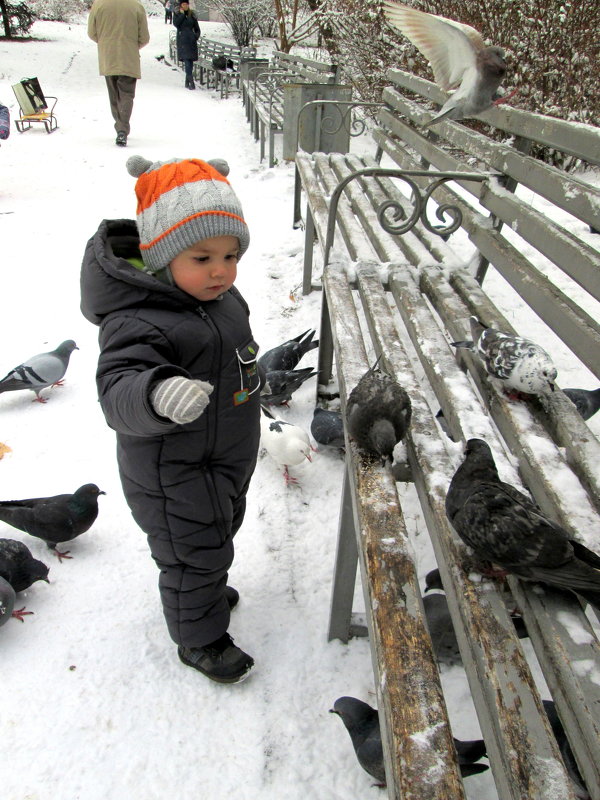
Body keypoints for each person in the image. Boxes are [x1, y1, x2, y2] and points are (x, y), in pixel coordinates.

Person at [80, 156, 261, 684]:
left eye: (231, 255)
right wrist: (157, 392)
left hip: (225, 454)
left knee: (218, 533)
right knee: (191, 554)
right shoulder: (138, 318)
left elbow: (235, 351)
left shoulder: (221, 299)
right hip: (171, 468)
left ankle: (202, 591)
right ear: (161, 257)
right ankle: (200, 639)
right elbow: (117, 387)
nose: (221, 270)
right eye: (202, 256)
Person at [87, 0, 150, 147]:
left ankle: (120, 125)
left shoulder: (99, 4)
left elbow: (92, 33)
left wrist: (105, 43)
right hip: (128, 56)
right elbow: (144, 38)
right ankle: (122, 128)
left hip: (108, 55)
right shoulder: (136, 6)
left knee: (113, 94)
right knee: (127, 94)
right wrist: (132, 47)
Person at [174, 1, 200, 90]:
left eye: (186, 4)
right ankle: (191, 82)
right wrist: (182, 15)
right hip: (182, 41)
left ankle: (187, 81)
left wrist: (195, 36)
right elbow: (176, 24)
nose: (185, 6)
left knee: (190, 61)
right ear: (181, 5)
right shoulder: (177, 14)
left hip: (191, 41)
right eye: (183, 4)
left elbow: (197, 28)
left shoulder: (192, 15)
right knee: (187, 61)